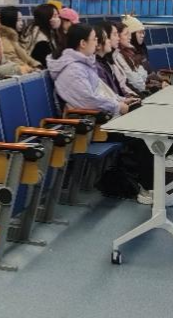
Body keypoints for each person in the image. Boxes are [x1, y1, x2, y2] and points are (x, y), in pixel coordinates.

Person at [48, 24, 156, 203]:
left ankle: (151, 182)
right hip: (90, 127)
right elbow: (88, 100)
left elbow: (102, 92)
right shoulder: (72, 70)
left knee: (143, 117)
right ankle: (148, 188)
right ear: (83, 43)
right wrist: (118, 106)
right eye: (94, 39)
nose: (97, 42)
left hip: (101, 119)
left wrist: (121, 100)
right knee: (142, 135)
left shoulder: (83, 64)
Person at [93, 22, 139, 99]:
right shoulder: (98, 66)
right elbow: (109, 94)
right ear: (98, 44)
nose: (118, 38)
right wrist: (125, 100)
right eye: (114, 34)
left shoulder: (108, 61)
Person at [118, 17, 162, 92]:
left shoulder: (142, 48)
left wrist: (162, 81)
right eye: (140, 32)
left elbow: (148, 71)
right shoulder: (123, 54)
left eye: (143, 32)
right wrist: (159, 83)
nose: (142, 35)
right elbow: (137, 81)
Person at [24, 3, 64, 68]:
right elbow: (50, 63)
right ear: (46, 18)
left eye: (58, 15)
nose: (58, 19)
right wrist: (59, 30)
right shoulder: (41, 41)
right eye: (55, 16)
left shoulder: (49, 32)